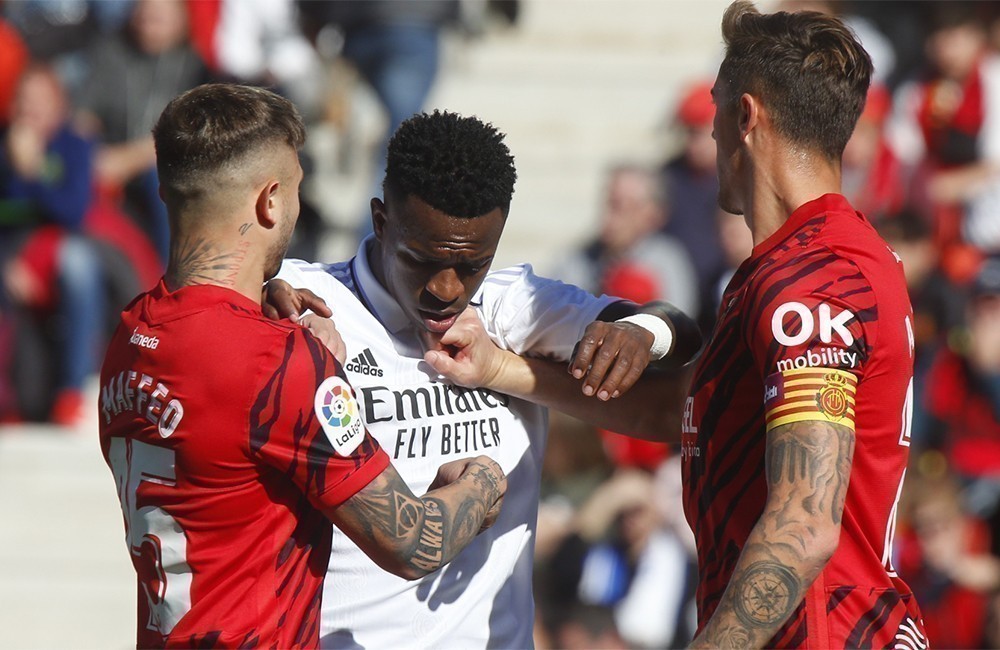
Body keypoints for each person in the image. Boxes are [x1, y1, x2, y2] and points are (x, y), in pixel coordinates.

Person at [272, 109, 701, 648]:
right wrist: (253, 309)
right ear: (380, 221)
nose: (447, 288)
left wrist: (643, 331)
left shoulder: (510, 306)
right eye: (421, 259)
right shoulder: (304, 300)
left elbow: (680, 337)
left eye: (473, 263)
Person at [98, 84, 506, 648]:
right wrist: (483, 482)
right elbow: (414, 543)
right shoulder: (280, 363)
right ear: (269, 201)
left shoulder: (129, 335)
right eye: (295, 188)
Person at [681, 2, 925, 647]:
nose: (708, 136)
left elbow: (802, 527)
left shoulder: (811, 283)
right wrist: (506, 370)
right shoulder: (825, 259)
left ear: (745, 116)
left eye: (714, 108)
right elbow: (692, 417)